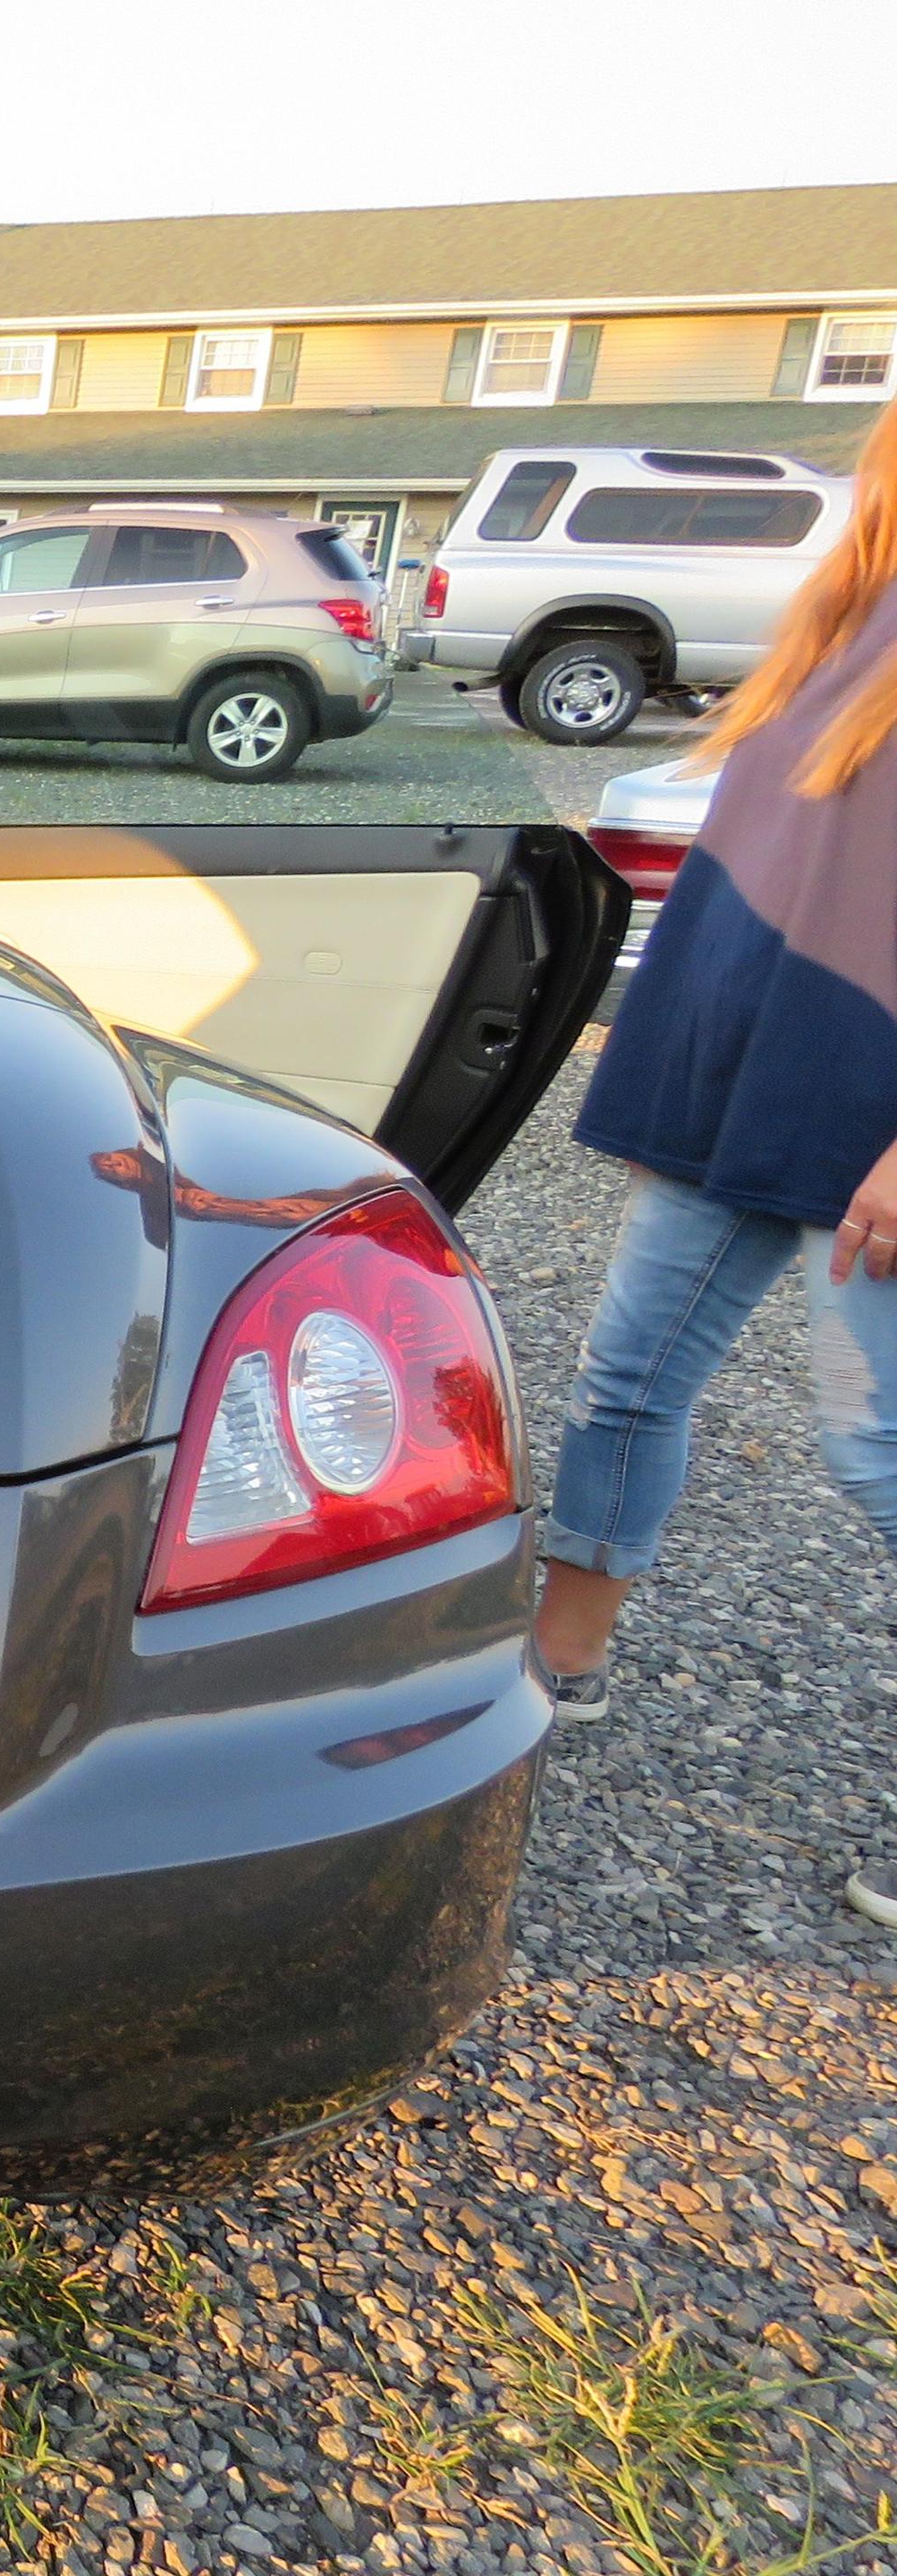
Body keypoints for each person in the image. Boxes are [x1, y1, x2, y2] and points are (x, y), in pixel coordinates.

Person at [535, 391, 897, 1930]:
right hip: (742, 1080)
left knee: (873, 1451)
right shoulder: (849, 614)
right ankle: (561, 1668)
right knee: (628, 1378)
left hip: (871, 1112)